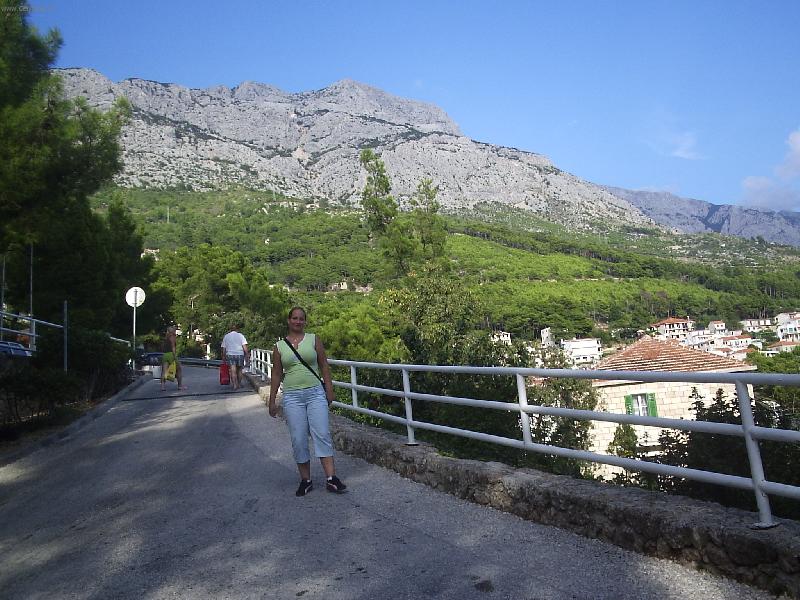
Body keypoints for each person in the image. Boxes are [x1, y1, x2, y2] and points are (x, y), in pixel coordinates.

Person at [268, 306, 346, 496]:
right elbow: (276, 373)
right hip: (292, 396)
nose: (298, 321)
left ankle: (331, 478)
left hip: (315, 393)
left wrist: (329, 389)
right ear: (289, 321)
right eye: (294, 318)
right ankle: (306, 480)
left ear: (305, 321)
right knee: (298, 438)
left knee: (322, 433)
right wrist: (272, 400)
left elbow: (324, 366)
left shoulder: (313, 340)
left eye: (301, 318)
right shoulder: (279, 347)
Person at [221, 323, 249, 390]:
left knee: (233, 371)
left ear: (230, 329)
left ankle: (235, 385)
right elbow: (244, 346)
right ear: (237, 329)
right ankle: (239, 384)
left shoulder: (226, 336)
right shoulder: (241, 336)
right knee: (239, 370)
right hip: (240, 354)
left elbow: (224, 348)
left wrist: (223, 356)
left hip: (230, 354)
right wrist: (247, 354)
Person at [160, 325, 186, 391]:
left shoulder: (166, 337)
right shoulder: (172, 337)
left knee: (164, 371)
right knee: (179, 370)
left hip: (165, 355)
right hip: (171, 354)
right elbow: (173, 347)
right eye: (175, 330)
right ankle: (180, 386)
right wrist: (174, 356)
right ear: (173, 331)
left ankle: (162, 386)